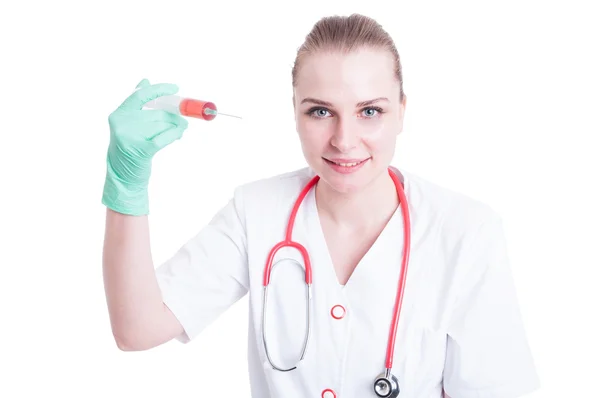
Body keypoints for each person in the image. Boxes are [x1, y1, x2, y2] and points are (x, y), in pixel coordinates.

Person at [101, 13, 540, 398]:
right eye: (320, 112)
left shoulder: (465, 230)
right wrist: (127, 184)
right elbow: (137, 329)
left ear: (402, 113)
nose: (344, 140)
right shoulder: (256, 212)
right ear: (295, 112)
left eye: (370, 111)